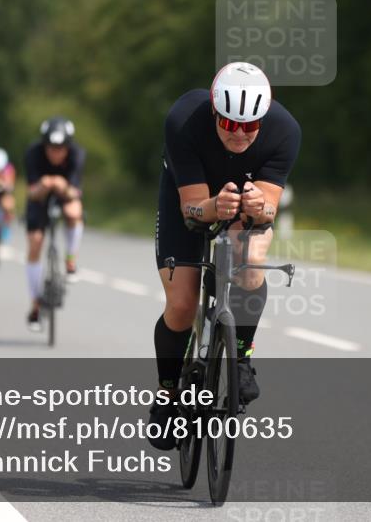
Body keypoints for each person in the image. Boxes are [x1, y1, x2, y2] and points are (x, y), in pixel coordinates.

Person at [148, 62, 301, 450]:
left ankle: (242, 357)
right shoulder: (184, 119)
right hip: (192, 196)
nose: (241, 135)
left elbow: (268, 211)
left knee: (248, 255)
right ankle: (167, 395)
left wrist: (256, 206)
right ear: (215, 113)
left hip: (241, 200)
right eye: (231, 125)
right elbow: (191, 210)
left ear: (263, 120)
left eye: (250, 126)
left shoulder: (285, 131)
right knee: (182, 305)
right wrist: (215, 205)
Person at [23, 117, 86, 331]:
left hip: (65, 194)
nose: (55, 153)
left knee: (73, 211)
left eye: (60, 148)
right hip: (39, 199)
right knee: (35, 242)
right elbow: (31, 193)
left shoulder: (77, 155)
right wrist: (44, 184)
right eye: (51, 148)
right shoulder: (33, 154)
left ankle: (70, 261)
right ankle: (35, 304)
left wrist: (60, 184)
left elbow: (74, 192)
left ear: (68, 147)